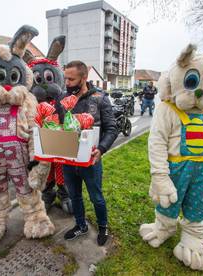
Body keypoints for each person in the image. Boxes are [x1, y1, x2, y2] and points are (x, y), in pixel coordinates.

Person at [57, 60, 118, 246]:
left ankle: (102, 226)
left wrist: (101, 149)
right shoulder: (64, 98)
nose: (66, 83)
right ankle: (81, 225)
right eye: (65, 78)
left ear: (84, 78)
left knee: (96, 197)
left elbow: (112, 129)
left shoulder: (99, 98)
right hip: (68, 159)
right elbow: (58, 126)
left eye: (71, 79)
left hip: (91, 161)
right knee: (74, 196)